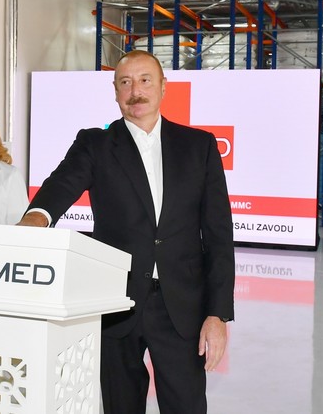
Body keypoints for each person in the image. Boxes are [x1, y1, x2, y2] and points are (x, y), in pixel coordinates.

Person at [18, 50, 235, 413]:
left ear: (163, 86)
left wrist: (218, 314)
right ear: (115, 92)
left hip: (182, 308)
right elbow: (61, 185)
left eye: (145, 80)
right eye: (126, 82)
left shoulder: (199, 146)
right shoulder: (95, 144)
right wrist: (37, 217)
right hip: (117, 304)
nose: (136, 91)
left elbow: (218, 236)